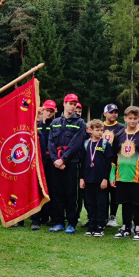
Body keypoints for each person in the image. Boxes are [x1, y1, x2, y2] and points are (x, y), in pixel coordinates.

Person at [110, 106, 139, 240]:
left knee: (138, 204)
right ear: (125, 118)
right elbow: (113, 157)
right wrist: (112, 175)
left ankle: (138, 227)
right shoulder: (119, 135)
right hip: (122, 176)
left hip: (138, 177)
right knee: (125, 202)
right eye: (130, 118)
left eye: (135, 118)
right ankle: (126, 227)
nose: (132, 121)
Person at [47, 93, 87, 233]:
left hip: (71, 162)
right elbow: (50, 143)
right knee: (57, 192)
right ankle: (59, 221)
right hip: (56, 163)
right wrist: (55, 160)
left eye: (75, 104)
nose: (72, 106)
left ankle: (71, 222)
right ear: (64, 104)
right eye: (70, 103)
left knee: (71, 193)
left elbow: (76, 144)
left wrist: (63, 159)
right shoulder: (55, 122)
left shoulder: (80, 123)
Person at [78, 119, 114, 237]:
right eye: (97, 130)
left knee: (101, 203)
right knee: (89, 203)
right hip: (88, 180)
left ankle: (100, 225)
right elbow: (82, 163)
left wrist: (105, 179)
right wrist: (81, 178)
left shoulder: (105, 144)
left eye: (101, 130)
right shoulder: (86, 144)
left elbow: (109, 163)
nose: (100, 132)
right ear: (90, 130)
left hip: (101, 181)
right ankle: (91, 224)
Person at [31, 100, 57, 230]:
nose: (49, 113)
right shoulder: (36, 125)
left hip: (51, 161)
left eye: (51, 111)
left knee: (50, 189)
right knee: (37, 188)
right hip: (37, 161)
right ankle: (35, 218)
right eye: (47, 110)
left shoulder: (54, 125)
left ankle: (48, 216)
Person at [102, 103, 125, 227]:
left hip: (115, 163)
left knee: (114, 191)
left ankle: (113, 216)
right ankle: (102, 216)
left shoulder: (121, 128)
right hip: (101, 163)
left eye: (116, 112)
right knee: (102, 191)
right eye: (111, 112)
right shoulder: (100, 126)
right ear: (105, 113)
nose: (114, 114)